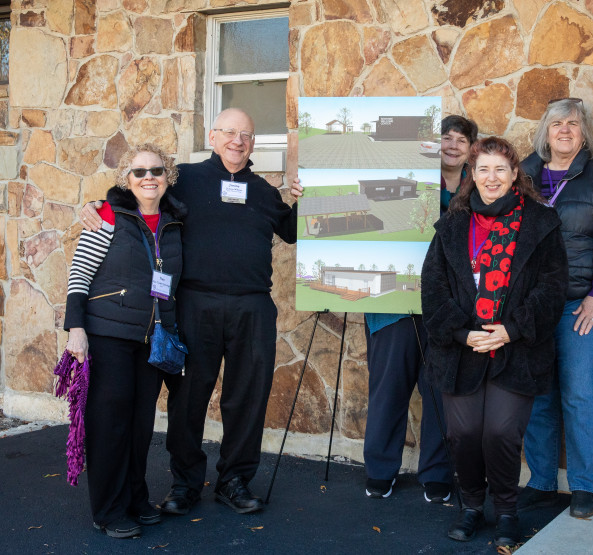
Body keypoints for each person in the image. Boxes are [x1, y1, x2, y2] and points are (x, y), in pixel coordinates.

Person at [80, 109, 297, 516]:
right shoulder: (188, 180)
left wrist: (310, 200)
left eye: (246, 135)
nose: (238, 140)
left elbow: (294, 230)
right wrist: (98, 205)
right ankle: (186, 482)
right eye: (229, 132)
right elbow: (139, 194)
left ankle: (234, 480)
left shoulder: (266, 192)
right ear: (212, 136)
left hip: (253, 306)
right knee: (188, 398)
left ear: (253, 143)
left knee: (248, 397)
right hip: (195, 303)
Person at [289, 116, 477, 504]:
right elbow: (353, 202)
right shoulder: (398, 175)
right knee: (389, 390)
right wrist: (313, 189)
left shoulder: (478, 192)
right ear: (429, 143)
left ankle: (437, 473)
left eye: (462, 140)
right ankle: (379, 469)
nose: (453, 145)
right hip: (392, 305)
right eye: (446, 138)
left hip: (448, 311)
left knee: (441, 392)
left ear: (471, 149)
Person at [421, 137, 568, 547]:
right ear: (472, 174)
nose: (491, 177)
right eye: (483, 169)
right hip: (460, 350)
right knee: (463, 434)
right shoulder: (452, 226)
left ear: (515, 174)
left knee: (500, 433)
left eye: (500, 169)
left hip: (515, 350)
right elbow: (432, 286)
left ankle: (506, 510)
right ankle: (471, 506)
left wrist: (512, 329)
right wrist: (460, 332)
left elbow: (553, 287)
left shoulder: (541, 223)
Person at [65, 144, 186, 538]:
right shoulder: (106, 215)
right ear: (126, 180)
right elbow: (79, 275)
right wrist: (76, 329)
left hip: (151, 339)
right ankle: (109, 510)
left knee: (139, 426)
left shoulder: (174, 223)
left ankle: (135, 498)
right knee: (109, 426)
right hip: (109, 336)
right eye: (138, 172)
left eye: (156, 170)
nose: (148, 177)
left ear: (168, 176)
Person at [518, 98, 593, 518]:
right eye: (556, 123)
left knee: (579, 391)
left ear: (583, 132)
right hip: (533, 305)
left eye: (572, 124)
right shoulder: (523, 175)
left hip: (581, 305)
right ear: (545, 131)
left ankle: (583, 487)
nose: (564, 130)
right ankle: (540, 482)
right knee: (538, 394)